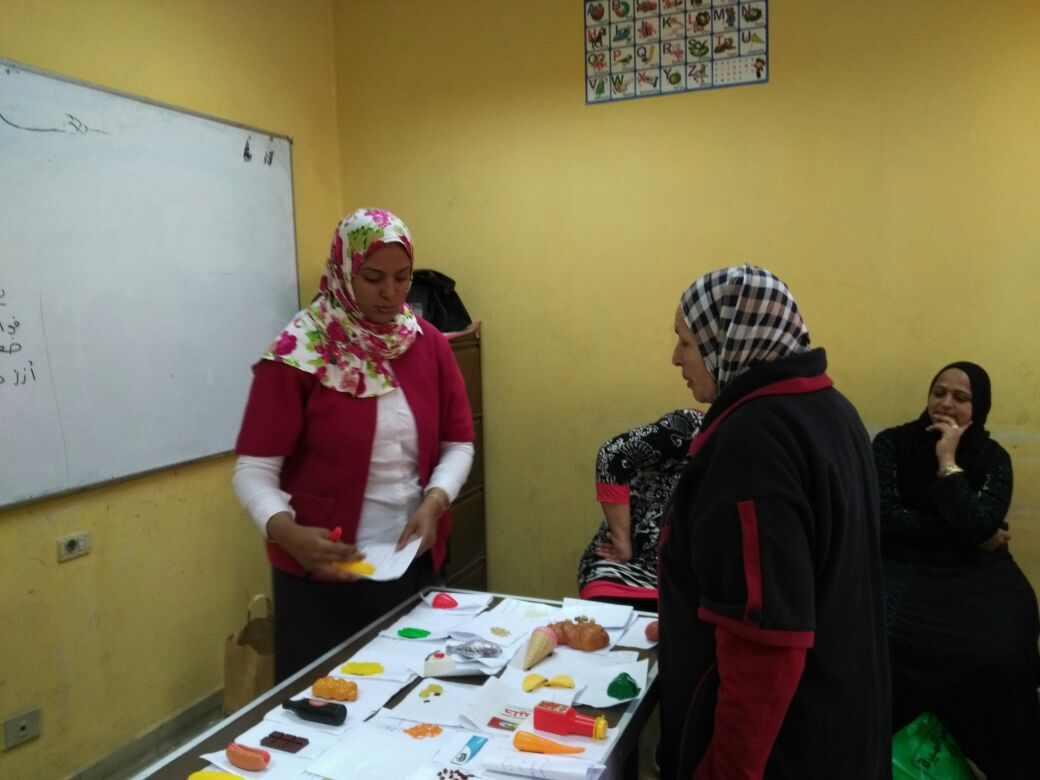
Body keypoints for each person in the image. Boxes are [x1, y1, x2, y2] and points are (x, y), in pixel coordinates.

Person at [657, 264, 891, 779]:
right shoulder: (830, 409)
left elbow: (764, 647)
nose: (675, 357)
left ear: (726, 340)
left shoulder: (754, 443)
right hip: (841, 718)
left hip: (782, 748)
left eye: (686, 341)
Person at [232, 208, 474, 681]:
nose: (391, 293)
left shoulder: (428, 344)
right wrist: (285, 532)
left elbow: (458, 442)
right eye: (373, 278)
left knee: (414, 696)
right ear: (343, 271)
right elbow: (253, 471)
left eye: (403, 278)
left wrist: (435, 501)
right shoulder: (298, 353)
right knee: (324, 703)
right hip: (321, 578)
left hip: (411, 567)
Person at [875, 361, 1040, 779]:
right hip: (905, 567)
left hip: (978, 575)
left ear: (978, 406)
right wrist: (972, 533)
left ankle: (989, 760)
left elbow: (980, 524)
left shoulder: (993, 458)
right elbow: (886, 518)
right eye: (939, 393)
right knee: (884, 645)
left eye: (961, 398)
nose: (946, 403)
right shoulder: (891, 444)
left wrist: (947, 461)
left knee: (1004, 652)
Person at [577, 409, 704, 613]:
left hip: (689, 582)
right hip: (627, 572)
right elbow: (613, 455)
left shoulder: (746, 443)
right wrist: (622, 541)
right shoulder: (691, 426)